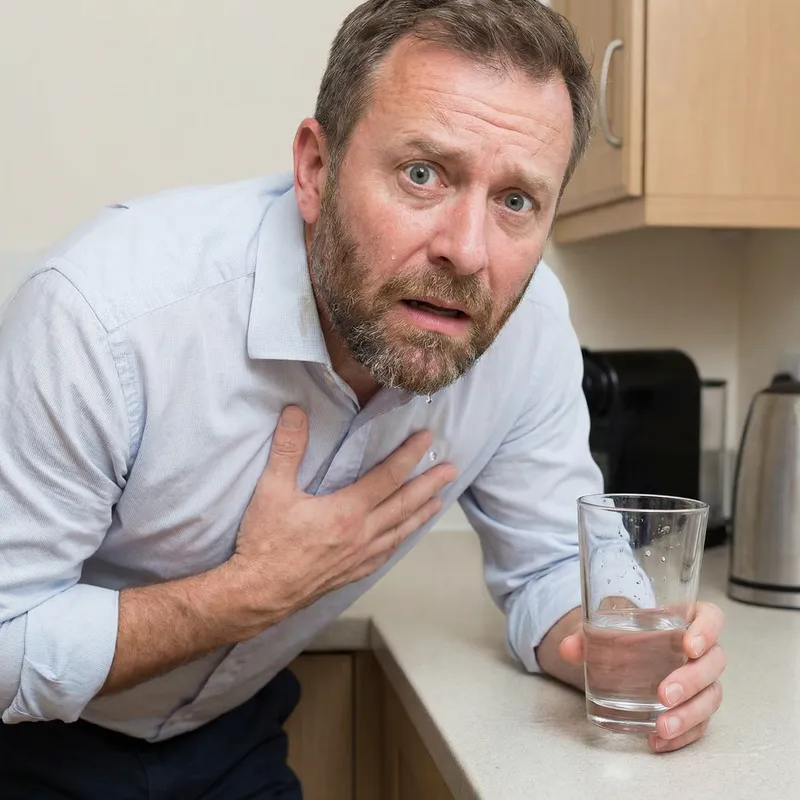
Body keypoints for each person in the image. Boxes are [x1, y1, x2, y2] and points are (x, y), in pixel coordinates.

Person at [0, 0, 726, 796]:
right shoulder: (104, 316)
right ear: (316, 168)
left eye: (516, 201)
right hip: (27, 744)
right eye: (423, 174)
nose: (467, 252)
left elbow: (553, 561)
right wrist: (246, 594)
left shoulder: (528, 330)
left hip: (232, 735)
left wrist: (617, 641)